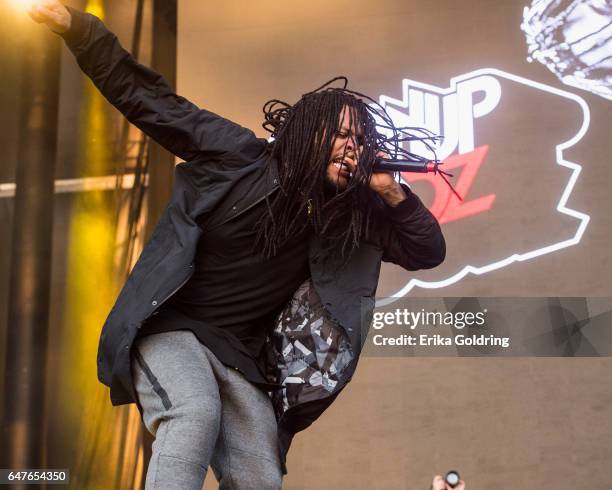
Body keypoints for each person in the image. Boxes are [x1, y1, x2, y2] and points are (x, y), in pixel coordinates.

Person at [28, 1, 446, 489]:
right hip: (172, 329)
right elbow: (151, 99)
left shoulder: (346, 218)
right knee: (193, 414)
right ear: (308, 132)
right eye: (340, 133)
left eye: (361, 140)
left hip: (242, 360)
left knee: (259, 474)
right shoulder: (238, 157)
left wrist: (390, 190)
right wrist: (81, 30)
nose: (352, 146)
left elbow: (426, 251)